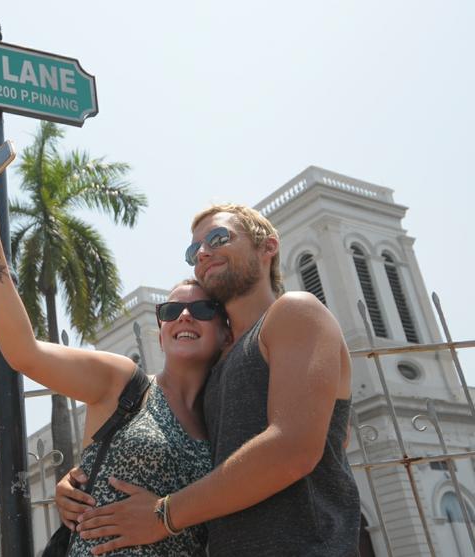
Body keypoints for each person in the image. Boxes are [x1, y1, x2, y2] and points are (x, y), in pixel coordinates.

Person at [56, 204, 360, 556]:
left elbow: (294, 448)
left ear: (268, 246)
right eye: (193, 251)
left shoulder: (295, 311)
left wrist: (163, 515)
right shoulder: (219, 365)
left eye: (218, 238)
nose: (202, 253)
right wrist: (84, 477)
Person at [0, 172, 231, 556]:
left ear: (226, 333)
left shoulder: (224, 418)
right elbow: (23, 352)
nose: (184, 315)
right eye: (170, 311)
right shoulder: (123, 383)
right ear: (161, 332)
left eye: (201, 309)